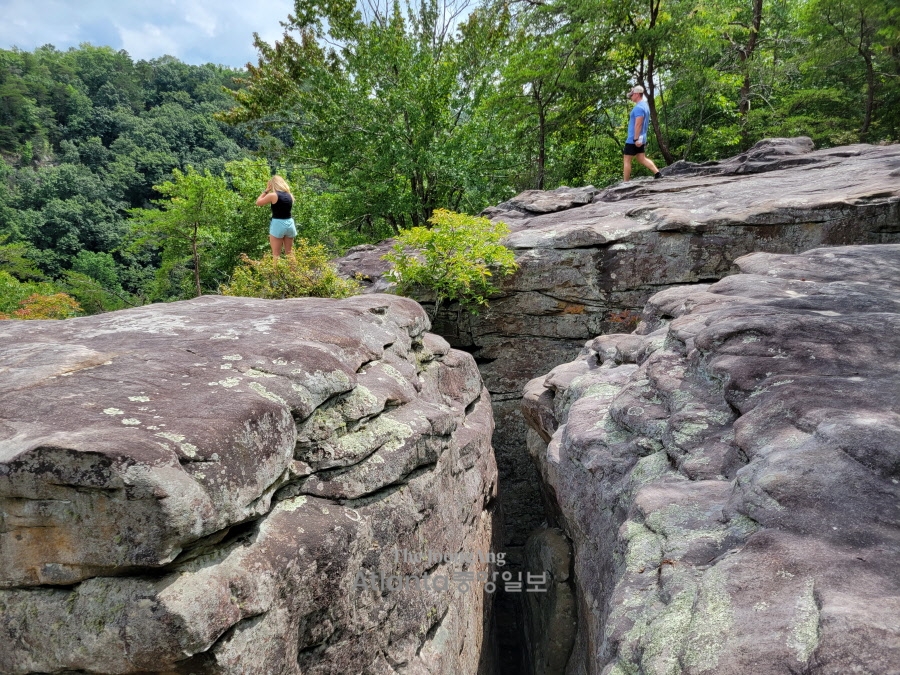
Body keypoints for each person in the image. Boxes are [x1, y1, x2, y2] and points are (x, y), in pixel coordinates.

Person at [623, 85, 662, 182]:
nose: (631, 97)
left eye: (632, 95)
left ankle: (625, 183)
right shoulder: (645, 106)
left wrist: (635, 139)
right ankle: (657, 173)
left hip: (634, 139)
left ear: (636, 94)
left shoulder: (638, 108)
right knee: (641, 158)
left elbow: (638, 124)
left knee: (627, 160)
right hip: (642, 137)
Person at [256, 175, 296, 258]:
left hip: (278, 224)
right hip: (290, 223)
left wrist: (266, 191)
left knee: (276, 254)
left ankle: (276, 271)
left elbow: (258, 202)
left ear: (273, 184)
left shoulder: (273, 195)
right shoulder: (290, 196)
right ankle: (294, 271)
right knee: (290, 253)